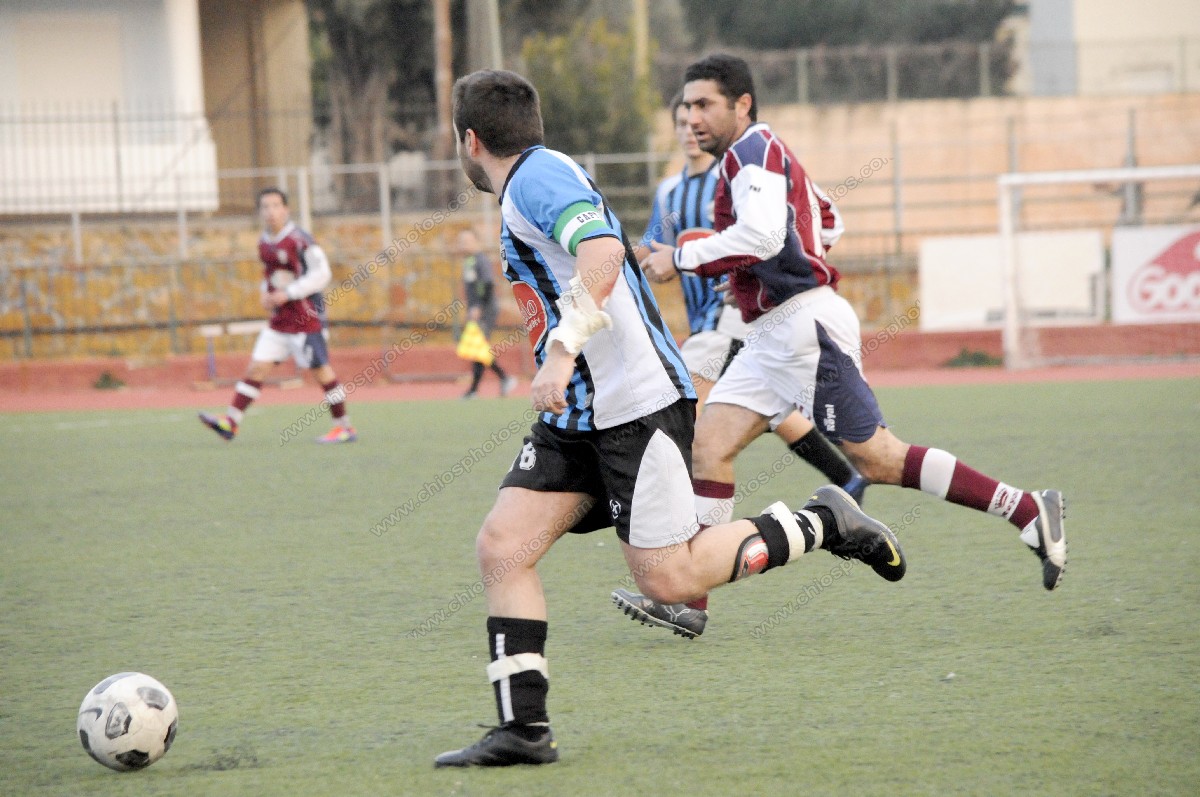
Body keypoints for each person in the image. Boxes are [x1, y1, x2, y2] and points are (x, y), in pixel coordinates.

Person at [434, 69, 906, 769]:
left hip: (636, 407)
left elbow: (602, 252)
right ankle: (523, 729)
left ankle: (825, 522)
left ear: (469, 140)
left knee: (671, 580)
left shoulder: (536, 177)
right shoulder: (531, 180)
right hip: (581, 413)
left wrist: (560, 353)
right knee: (503, 545)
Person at [636, 54, 1066, 627]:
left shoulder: (750, 151)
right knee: (709, 448)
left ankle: (1027, 507)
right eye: (687, 106)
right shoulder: (760, 154)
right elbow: (829, 219)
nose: (692, 117)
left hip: (802, 329)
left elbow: (762, 236)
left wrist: (685, 256)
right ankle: (691, 602)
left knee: (880, 459)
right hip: (770, 335)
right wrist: (766, 267)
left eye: (704, 104)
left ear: (742, 105)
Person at [612, 91, 867, 639]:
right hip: (706, 327)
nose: (690, 127)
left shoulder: (739, 171)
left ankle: (690, 588)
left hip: (730, 322)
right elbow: (655, 249)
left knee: (691, 432)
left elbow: (767, 233)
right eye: (681, 120)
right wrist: (612, 263)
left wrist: (750, 280)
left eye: (698, 115)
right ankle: (848, 479)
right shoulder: (670, 191)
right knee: (754, 422)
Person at [198, 187, 356, 444]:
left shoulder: (300, 240)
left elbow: (322, 274)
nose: (270, 211)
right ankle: (231, 422)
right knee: (257, 367)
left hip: (306, 318)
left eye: (275, 206)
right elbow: (270, 275)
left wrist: (289, 293)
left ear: (286, 210)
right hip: (280, 321)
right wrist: (265, 293)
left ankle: (344, 427)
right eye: (265, 207)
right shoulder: (264, 242)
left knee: (321, 371)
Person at [455, 227, 518, 398]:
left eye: (466, 241)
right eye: (461, 242)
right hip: (478, 310)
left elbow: (487, 284)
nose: (463, 245)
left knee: (478, 347)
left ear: (476, 242)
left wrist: (478, 306)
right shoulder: (469, 261)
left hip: (485, 310)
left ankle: (477, 389)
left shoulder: (480, 260)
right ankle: (501, 379)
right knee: (479, 347)